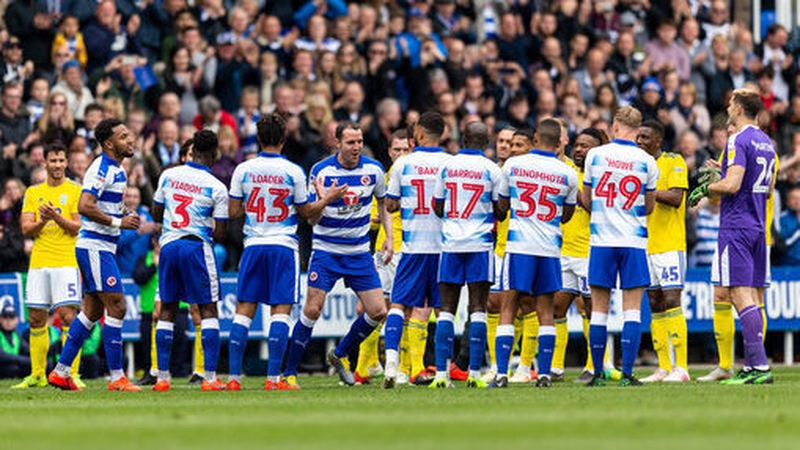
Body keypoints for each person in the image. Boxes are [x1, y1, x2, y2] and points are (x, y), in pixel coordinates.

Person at [225, 113, 345, 391]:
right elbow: (306, 213)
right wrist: (327, 198)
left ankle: (232, 378)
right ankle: (273, 380)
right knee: (281, 311)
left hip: (253, 244)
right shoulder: (293, 171)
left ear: (258, 137)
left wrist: (255, 207)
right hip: (283, 245)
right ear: (283, 138)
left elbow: (233, 212)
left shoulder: (243, 169)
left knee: (244, 310)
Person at [283, 121, 392, 387]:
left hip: (358, 252)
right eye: (351, 142)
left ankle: (340, 354)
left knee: (378, 311)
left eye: (359, 142)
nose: (356, 147)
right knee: (312, 309)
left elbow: (383, 203)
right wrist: (326, 199)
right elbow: (310, 218)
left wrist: (388, 236)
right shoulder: (321, 171)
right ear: (337, 143)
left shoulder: (374, 169)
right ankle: (288, 373)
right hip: (326, 250)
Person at [688, 89, 776, 384]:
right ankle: (752, 366)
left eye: (729, 104)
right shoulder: (767, 142)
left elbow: (733, 185)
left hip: (736, 226)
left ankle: (760, 367)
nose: (727, 107)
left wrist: (705, 189)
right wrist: (724, 170)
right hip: (758, 226)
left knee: (739, 294)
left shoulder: (738, 139)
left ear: (738, 108)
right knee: (750, 294)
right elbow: (765, 188)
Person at [48, 118, 142, 392]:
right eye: (124, 136)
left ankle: (61, 372)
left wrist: (121, 213)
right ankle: (117, 378)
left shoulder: (118, 170)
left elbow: (103, 203)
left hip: (101, 246)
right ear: (109, 143)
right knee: (118, 307)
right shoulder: (101, 168)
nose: (131, 139)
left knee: (91, 311)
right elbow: (85, 205)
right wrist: (118, 223)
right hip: (95, 247)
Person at [489, 119, 578, 388]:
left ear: (536, 138)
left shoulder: (514, 166)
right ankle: (545, 374)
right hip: (549, 249)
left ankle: (502, 373)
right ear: (559, 141)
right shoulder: (568, 173)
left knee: (508, 307)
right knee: (545, 312)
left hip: (518, 247)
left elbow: (502, 205)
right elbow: (567, 215)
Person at [583, 106, 659, 387]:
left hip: (601, 240)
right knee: (632, 310)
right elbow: (649, 206)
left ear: (615, 126)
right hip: (633, 240)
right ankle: (627, 373)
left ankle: (598, 374)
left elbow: (587, 198)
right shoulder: (647, 161)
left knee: (599, 309)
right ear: (638, 131)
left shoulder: (595, 155)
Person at [150, 129, 228, 392]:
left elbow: (156, 212)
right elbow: (221, 231)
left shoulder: (169, 175)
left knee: (168, 308)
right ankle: (209, 377)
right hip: (196, 246)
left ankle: (162, 378)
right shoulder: (217, 186)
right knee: (207, 309)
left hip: (169, 245)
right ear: (213, 154)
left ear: (192, 151)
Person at [429, 121, 503, 389]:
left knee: (446, 310)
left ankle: (440, 375)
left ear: (462, 138)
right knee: (478, 309)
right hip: (480, 246)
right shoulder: (492, 170)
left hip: (450, 244)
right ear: (487, 141)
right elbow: (502, 210)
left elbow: (437, 206)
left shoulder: (447, 167)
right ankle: (473, 374)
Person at [382, 113, 451, 388]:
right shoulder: (450, 164)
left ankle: (390, 366)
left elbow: (390, 205)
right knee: (442, 310)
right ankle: (443, 374)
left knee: (398, 304)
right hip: (443, 248)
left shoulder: (403, 164)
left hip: (412, 247)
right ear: (443, 133)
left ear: (419, 134)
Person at [552, 128, 619, 384]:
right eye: (577, 145)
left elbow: (593, 206)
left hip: (589, 252)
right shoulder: (566, 172)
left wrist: (577, 193)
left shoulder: (602, 178)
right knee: (557, 308)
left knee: (592, 310)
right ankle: (556, 368)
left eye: (585, 146)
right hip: (564, 251)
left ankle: (595, 365)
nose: (579, 150)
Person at [12, 144, 82, 389]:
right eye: (53, 161)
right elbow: (26, 229)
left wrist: (56, 217)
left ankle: (71, 374)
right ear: (44, 163)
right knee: (35, 319)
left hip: (65, 260)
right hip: (39, 262)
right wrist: (43, 220)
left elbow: (77, 227)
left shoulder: (75, 190)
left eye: (62, 160)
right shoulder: (33, 192)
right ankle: (38, 374)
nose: (58, 165)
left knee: (67, 317)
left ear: (67, 163)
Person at [354, 128, 411, 386]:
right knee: (381, 308)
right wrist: (373, 222)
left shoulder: (414, 174)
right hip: (387, 250)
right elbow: (369, 214)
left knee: (407, 309)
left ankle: (398, 366)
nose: (400, 154)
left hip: (410, 248)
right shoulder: (383, 178)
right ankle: (369, 366)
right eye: (396, 150)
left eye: (405, 149)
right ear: (389, 152)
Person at [636, 120, 691, 383]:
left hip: (670, 244)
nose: (639, 141)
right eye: (638, 136)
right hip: (646, 244)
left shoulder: (674, 161)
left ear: (658, 140)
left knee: (671, 300)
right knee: (654, 303)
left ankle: (681, 367)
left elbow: (676, 197)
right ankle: (663, 367)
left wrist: (648, 190)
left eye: (645, 137)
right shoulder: (636, 165)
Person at [482, 126, 514, 383]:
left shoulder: (523, 170)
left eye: (510, 142)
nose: (504, 145)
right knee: (493, 303)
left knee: (526, 306)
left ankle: (524, 364)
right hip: (498, 245)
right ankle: (497, 363)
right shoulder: (491, 171)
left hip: (524, 244)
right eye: (501, 141)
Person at [0, 304, 30, 379]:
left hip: (12, 364)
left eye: (11, 318)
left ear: (17, 320)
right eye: (5, 318)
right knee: (14, 368)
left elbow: (28, 351)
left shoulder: (16, 335)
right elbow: (2, 357)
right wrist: (27, 361)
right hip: (2, 365)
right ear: (0, 319)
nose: (8, 321)